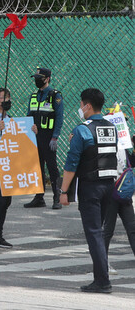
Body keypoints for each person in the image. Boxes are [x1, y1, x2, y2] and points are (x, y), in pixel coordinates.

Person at [59, 88, 119, 294]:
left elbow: (71, 164)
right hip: (109, 186)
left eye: (81, 105)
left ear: (88, 106)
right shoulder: (111, 127)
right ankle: (100, 278)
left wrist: (63, 191)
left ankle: (102, 281)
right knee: (99, 233)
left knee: (93, 234)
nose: (80, 109)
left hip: (91, 188)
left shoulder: (82, 130)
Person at [0, 87, 36, 248]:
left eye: (9, 97)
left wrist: (31, 132)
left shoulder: (10, 119)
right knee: (0, 198)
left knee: (6, 200)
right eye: (4, 98)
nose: (8, 101)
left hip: (9, 167)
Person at [25, 67, 65, 209]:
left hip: (48, 137)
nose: (37, 80)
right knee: (37, 167)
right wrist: (30, 126)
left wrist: (55, 137)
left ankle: (57, 198)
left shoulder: (55, 95)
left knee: (52, 168)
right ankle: (39, 197)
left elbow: (59, 118)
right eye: (35, 77)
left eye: (39, 77)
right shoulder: (34, 96)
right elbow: (29, 115)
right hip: (35, 136)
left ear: (47, 79)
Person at [103, 141, 135, 274]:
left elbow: (131, 163)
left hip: (124, 191)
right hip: (110, 190)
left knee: (132, 227)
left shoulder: (124, 145)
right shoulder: (103, 144)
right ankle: (102, 264)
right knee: (108, 230)